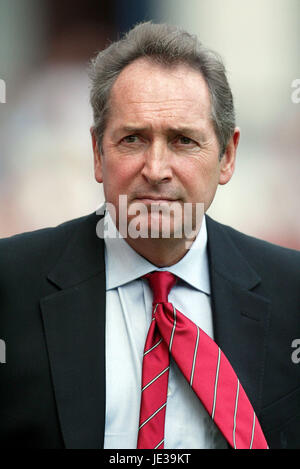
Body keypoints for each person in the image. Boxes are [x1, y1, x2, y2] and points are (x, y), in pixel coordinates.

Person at [0, 22, 299, 450]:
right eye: (133, 139)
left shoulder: (291, 291)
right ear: (98, 154)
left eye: (183, 141)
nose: (156, 169)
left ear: (227, 156)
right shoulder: (10, 283)